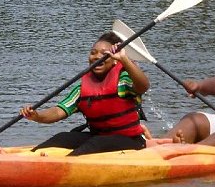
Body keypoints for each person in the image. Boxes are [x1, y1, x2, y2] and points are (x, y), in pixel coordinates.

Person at [20, 32, 151, 156]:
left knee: (97, 143)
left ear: (115, 60)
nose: (97, 57)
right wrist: (37, 116)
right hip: (99, 138)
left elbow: (143, 86)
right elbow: (58, 111)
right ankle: (28, 159)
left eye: (104, 53)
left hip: (131, 141)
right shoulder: (81, 89)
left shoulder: (123, 81)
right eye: (93, 53)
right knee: (62, 137)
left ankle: (66, 165)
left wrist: (125, 60)